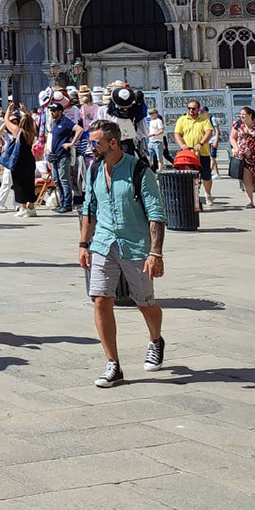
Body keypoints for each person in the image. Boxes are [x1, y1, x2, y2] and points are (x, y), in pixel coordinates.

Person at [77, 120, 166, 388]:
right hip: (103, 244)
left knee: (144, 303)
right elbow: (88, 209)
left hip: (135, 246)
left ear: (113, 143)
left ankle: (155, 339)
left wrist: (155, 253)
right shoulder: (93, 170)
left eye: (96, 143)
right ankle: (113, 364)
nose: (92, 148)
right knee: (101, 300)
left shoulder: (139, 170)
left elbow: (156, 215)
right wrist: (83, 244)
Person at [173, 101, 215, 209]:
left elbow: (209, 132)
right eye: (189, 108)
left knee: (206, 175)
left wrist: (201, 143)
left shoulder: (204, 120)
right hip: (188, 154)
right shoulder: (182, 120)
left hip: (202, 153)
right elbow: (177, 133)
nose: (191, 111)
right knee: (190, 177)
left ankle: (208, 195)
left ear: (198, 109)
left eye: (193, 109)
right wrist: (182, 145)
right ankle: (192, 198)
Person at [46, 92, 80, 213]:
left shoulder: (65, 122)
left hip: (63, 155)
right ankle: (61, 203)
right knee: (56, 180)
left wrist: (71, 143)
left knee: (64, 180)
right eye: (51, 111)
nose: (52, 113)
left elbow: (79, 129)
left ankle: (67, 204)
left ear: (60, 112)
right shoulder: (55, 122)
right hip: (54, 155)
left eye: (54, 111)